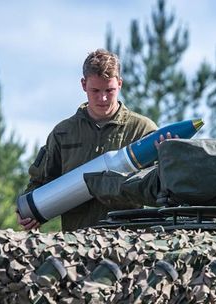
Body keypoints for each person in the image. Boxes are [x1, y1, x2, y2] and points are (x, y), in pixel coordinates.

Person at [17, 49, 162, 231]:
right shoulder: (63, 132)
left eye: (109, 90)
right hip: (76, 242)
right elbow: (40, 181)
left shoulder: (142, 130)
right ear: (83, 84)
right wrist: (29, 213)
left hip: (128, 243)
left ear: (120, 84)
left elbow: (159, 187)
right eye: (95, 90)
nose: (102, 98)